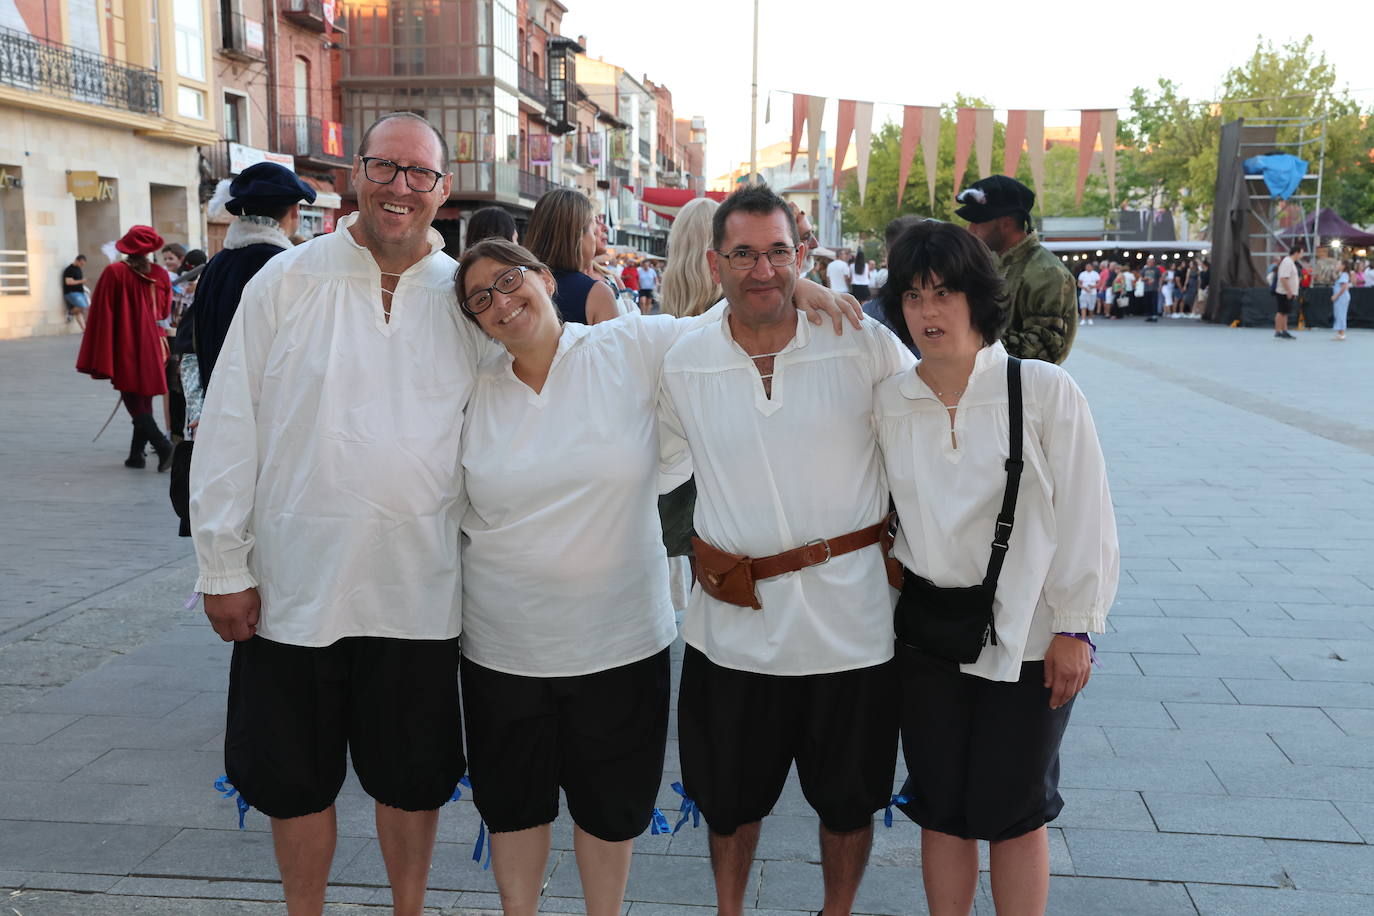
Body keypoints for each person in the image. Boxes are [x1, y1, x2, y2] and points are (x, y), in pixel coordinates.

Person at [453, 237, 857, 916]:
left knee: (611, 810)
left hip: (619, 642)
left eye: (510, 279)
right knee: (513, 809)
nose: (501, 301)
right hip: (503, 646)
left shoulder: (625, 347)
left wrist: (800, 288)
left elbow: (722, 323)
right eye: (480, 298)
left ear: (546, 280)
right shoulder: (472, 391)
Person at [190, 112, 481, 916]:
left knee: (413, 781)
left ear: (442, 190)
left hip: (418, 591)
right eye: (385, 168)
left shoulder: (465, 298)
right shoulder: (286, 281)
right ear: (357, 173)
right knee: (292, 783)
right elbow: (230, 425)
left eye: (419, 173)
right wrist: (223, 565)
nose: (400, 188)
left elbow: (552, 376)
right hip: (294, 587)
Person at [657, 185, 914, 916]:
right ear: (714, 263)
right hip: (736, 630)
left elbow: (926, 436)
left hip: (852, 626)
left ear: (802, 256)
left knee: (850, 801)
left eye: (778, 253)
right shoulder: (685, 358)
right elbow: (657, 470)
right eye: (743, 254)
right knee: (728, 803)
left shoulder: (861, 341)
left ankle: (838, 911)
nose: (761, 269)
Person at [873, 219, 1117, 916]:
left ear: (979, 297)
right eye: (913, 296)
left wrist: (1077, 626)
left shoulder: (1040, 390)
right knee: (941, 805)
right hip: (926, 635)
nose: (927, 311)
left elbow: (1086, 512)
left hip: (1031, 636)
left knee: (1014, 810)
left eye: (943, 292)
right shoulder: (891, 400)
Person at [75, 225, 174, 471]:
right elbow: (163, 311)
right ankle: (136, 455)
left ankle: (163, 445)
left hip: (126, 342)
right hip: (156, 343)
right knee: (144, 395)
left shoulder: (114, 272)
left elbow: (101, 311)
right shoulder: (161, 274)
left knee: (132, 397)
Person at [955, 175, 1076, 362]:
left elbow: (1043, 350)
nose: (971, 229)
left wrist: (967, 338)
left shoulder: (1046, 272)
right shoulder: (990, 262)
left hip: (1023, 386)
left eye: (978, 221)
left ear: (1006, 223)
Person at [524, 187, 619, 325]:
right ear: (578, 237)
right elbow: (615, 345)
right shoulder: (597, 293)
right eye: (593, 232)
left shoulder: (518, 286)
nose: (594, 238)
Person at [1274, 242, 1303, 340]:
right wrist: (1289, 291)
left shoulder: (1290, 262)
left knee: (1284, 312)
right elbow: (1283, 278)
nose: (1301, 255)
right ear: (1296, 253)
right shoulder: (1287, 262)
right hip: (1284, 292)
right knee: (1282, 311)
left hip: (1285, 291)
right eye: (1301, 253)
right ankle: (1280, 331)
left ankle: (1282, 330)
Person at [62, 254, 89, 329]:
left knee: (79, 312)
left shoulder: (78, 269)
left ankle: (84, 329)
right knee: (83, 306)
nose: (82, 265)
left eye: (83, 264)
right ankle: (70, 312)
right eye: (81, 263)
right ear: (77, 260)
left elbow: (78, 281)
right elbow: (68, 282)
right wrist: (82, 281)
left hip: (80, 292)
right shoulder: (69, 269)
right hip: (72, 293)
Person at [1332, 257, 1351, 341]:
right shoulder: (1342, 274)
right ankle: (1340, 332)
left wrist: (1336, 295)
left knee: (1341, 314)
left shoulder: (1344, 274)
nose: (1336, 265)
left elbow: (1343, 287)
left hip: (1341, 297)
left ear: (1343, 266)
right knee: (1338, 313)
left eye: (1338, 264)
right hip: (1341, 297)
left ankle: (1342, 333)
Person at [1076, 260, 1099, 327]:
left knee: (1091, 306)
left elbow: (1098, 283)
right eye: (1086, 266)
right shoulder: (1082, 274)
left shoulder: (1095, 274)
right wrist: (1084, 288)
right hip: (1084, 292)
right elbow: (1079, 284)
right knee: (1083, 306)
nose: (1088, 268)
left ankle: (1090, 319)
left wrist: (1093, 286)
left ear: (1092, 267)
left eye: (1089, 266)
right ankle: (1083, 319)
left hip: (1093, 292)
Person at [1140, 256, 1162, 322]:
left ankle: (1154, 316)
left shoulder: (1156, 269)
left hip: (1154, 288)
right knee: (1147, 303)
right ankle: (1149, 316)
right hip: (1146, 288)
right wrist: (1145, 279)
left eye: (1151, 261)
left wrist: (1160, 286)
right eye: (1149, 261)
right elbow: (1141, 278)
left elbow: (1160, 278)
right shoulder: (1144, 269)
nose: (1150, 263)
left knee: (1154, 302)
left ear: (1153, 262)